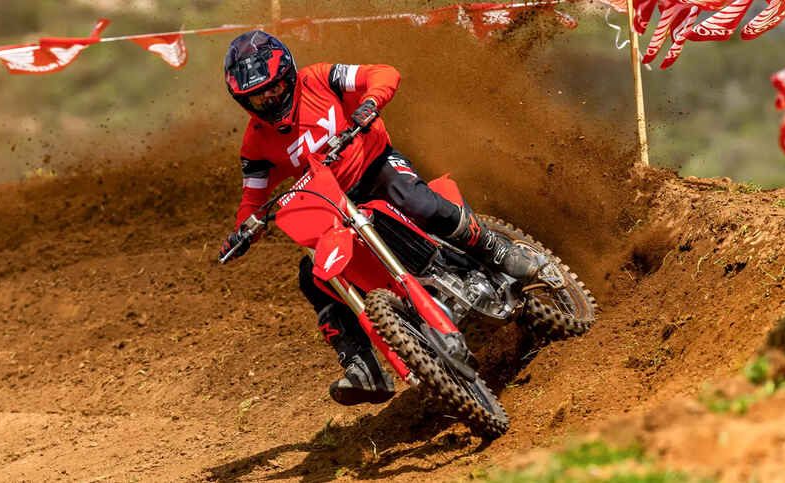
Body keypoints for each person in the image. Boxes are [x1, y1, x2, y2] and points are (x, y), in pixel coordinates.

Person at [218, 31, 547, 406]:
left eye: (273, 88)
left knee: (418, 202)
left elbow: (384, 73)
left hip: (376, 168)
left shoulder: (320, 78)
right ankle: (363, 367)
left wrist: (370, 103)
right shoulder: (255, 142)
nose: (267, 98)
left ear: (288, 75)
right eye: (256, 96)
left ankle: (496, 249)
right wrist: (243, 231)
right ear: (243, 100)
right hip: (334, 204)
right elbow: (253, 200)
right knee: (313, 276)